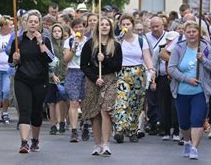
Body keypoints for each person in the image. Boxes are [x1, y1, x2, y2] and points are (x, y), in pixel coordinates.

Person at [168, 21, 211, 160]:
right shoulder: (178, 48)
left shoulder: (206, 48)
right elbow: (171, 68)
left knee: (197, 120)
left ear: (199, 33)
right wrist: (186, 79)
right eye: (188, 32)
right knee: (184, 123)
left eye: (194, 31)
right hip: (182, 91)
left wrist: (203, 60)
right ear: (184, 33)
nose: (191, 34)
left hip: (200, 92)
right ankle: (187, 141)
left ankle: (194, 148)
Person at [8, 11, 54, 153]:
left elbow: (50, 59)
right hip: (22, 79)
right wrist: (15, 59)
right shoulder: (19, 40)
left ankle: (35, 140)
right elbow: (10, 63)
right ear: (25, 23)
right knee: (25, 110)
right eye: (30, 21)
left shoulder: (45, 39)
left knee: (36, 111)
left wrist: (40, 43)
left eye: (35, 21)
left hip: (40, 80)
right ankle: (24, 142)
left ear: (39, 24)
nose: (33, 23)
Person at [80, 17, 122, 157]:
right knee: (95, 113)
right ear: (97, 27)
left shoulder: (115, 45)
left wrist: (105, 59)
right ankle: (97, 144)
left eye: (107, 25)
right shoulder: (90, 44)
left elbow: (117, 66)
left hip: (109, 80)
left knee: (106, 110)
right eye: (102, 24)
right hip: (93, 81)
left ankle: (106, 144)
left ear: (111, 28)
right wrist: (95, 78)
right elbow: (84, 65)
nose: (104, 27)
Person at [113, 14, 155, 143]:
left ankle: (132, 130)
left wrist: (151, 69)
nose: (125, 27)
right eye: (123, 24)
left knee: (135, 103)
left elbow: (146, 56)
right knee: (121, 100)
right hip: (122, 72)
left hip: (138, 72)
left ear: (132, 25)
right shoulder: (118, 40)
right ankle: (120, 129)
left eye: (128, 24)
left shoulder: (140, 40)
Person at [63, 18, 89, 142]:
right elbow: (66, 60)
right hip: (73, 71)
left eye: (81, 27)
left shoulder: (90, 41)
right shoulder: (69, 41)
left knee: (85, 102)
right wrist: (73, 48)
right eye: (76, 27)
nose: (79, 29)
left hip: (86, 72)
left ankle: (85, 125)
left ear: (85, 27)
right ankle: (74, 130)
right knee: (74, 102)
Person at [153, 30, 180, 141]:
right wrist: (153, 81)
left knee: (175, 106)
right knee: (164, 105)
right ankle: (166, 130)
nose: (171, 42)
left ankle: (177, 130)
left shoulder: (180, 49)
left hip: (177, 79)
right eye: (169, 40)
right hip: (163, 79)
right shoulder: (159, 49)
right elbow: (154, 66)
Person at [46, 23, 69, 135]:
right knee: (51, 102)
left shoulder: (65, 45)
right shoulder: (49, 45)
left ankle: (62, 121)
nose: (57, 33)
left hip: (63, 75)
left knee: (62, 100)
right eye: (54, 31)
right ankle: (53, 124)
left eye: (59, 31)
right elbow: (47, 61)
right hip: (51, 76)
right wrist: (52, 75)